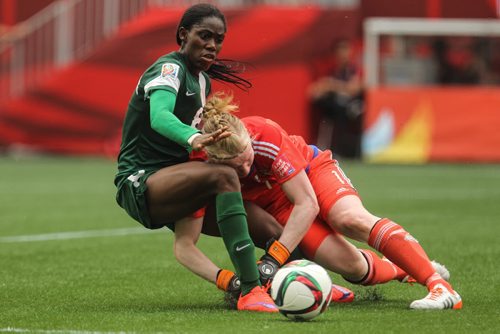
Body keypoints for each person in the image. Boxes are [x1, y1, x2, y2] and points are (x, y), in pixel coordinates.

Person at [193, 92, 462, 310]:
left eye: (247, 159)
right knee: (353, 267)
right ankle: (404, 267)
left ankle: (439, 287)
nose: (244, 170)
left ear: (248, 138)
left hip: (312, 174)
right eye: (234, 168)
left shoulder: (265, 134)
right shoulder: (201, 162)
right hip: (279, 206)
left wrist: (274, 259)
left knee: (348, 218)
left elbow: (307, 203)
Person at [113, 3, 278, 313]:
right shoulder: (169, 69)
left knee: (265, 225)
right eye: (204, 36)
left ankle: (299, 280)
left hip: (176, 178)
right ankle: (252, 291)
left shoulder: (202, 81)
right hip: (141, 182)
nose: (212, 45)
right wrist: (194, 138)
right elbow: (159, 117)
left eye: (218, 39)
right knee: (224, 177)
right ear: (183, 35)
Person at [309, 39, 364, 159]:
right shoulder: (332, 70)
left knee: (348, 111)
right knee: (327, 106)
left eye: (345, 50)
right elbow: (313, 91)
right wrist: (325, 86)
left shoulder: (355, 69)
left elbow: (353, 89)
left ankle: (348, 151)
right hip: (335, 107)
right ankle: (329, 150)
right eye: (340, 51)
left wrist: (331, 85)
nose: (342, 55)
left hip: (353, 105)